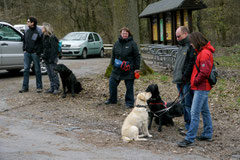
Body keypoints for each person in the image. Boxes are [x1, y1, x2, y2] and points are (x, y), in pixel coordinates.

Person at [178, 31, 214, 147]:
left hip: (201, 87)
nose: (191, 45)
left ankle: (190, 138)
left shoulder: (204, 54)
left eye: (192, 43)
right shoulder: (202, 52)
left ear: (196, 41)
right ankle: (208, 133)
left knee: (194, 112)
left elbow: (204, 72)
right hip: (200, 86)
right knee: (205, 111)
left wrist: (194, 81)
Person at [105, 27, 140, 108]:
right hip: (117, 69)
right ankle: (112, 100)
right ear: (121, 34)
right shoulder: (116, 43)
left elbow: (137, 56)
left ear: (128, 34)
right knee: (112, 83)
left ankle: (129, 103)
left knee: (129, 87)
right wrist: (112, 64)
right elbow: (113, 55)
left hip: (129, 69)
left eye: (126, 33)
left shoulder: (133, 44)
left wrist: (137, 68)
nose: (124, 34)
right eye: (123, 33)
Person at [172, 26, 195, 132]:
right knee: (183, 103)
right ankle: (187, 123)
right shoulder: (181, 46)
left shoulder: (190, 46)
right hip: (179, 79)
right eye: (176, 37)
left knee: (188, 104)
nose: (177, 38)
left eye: (179, 36)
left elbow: (191, 63)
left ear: (185, 34)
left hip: (187, 80)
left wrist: (186, 76)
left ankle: (190, 126)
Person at [19, 16, 43, 93]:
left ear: (33, 23)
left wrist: (38, 51)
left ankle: (39, 87)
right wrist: (24, 49)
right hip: (27, 53)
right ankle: (25, 87)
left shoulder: (39, 31)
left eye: (28, 21)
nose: (27, 23)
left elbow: (41, 43)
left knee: (37, 70)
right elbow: (24, 40)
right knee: (26, 69)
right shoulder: (26, 30)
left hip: (35, 53)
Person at [41, 22, 60, 94]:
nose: (41, 29)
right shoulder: (44, 37)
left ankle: (56, 88)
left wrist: (52, 59)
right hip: (46, 59)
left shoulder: (52, 37)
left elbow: (54, 49)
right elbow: (45, 48)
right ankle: (52, 87)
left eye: (42, 27)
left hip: (52, 59)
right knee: (49, 74)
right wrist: (43, 57)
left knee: (54, 74)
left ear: (46, 28)